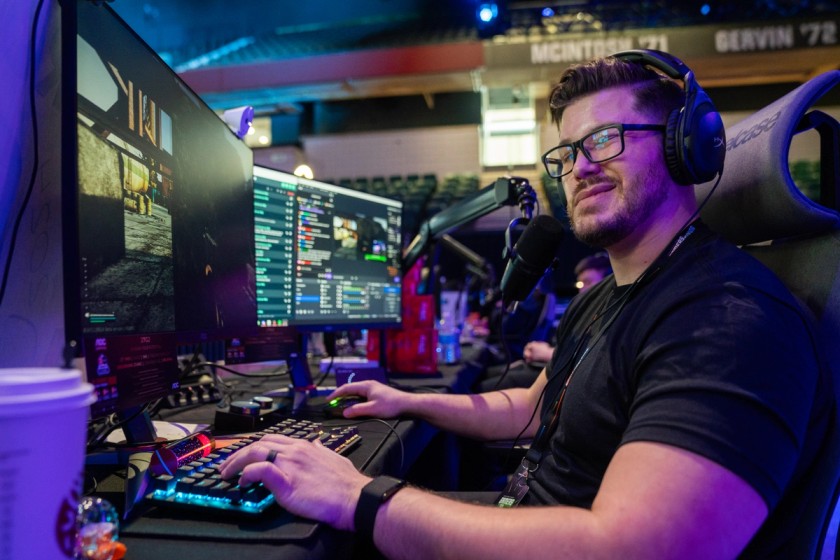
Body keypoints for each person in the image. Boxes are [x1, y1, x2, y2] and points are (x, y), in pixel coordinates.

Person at [220, 52, 831, 558]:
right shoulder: (611, 297)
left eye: (606, 140)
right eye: (567, 154)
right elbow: (531, 409)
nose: (581, 167)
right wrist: (410, 400)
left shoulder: (729, 319)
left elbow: (630, 549)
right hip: (531, 515)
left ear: (683, 147)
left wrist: (361, 497)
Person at [521, 252, 612, 367]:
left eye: (588, 282)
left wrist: (547, 353)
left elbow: (594, 360)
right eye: (580, 284)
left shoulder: (610, 315)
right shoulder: (586, 312)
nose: (582, 289)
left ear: (608, 282)